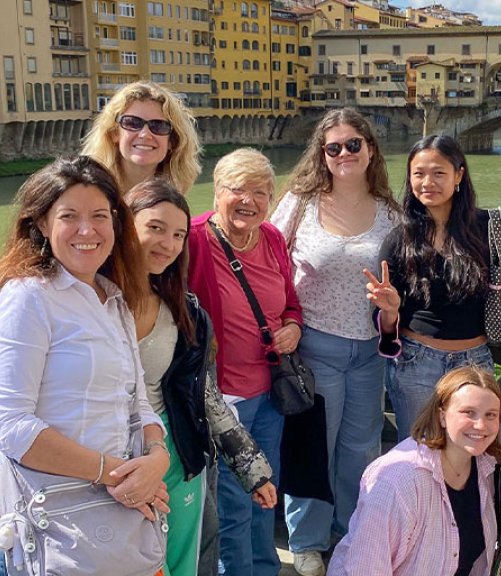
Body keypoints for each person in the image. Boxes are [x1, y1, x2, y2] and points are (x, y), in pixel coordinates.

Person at [0, 156, 170, 574]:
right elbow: (11, 425)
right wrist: (115, 474)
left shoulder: (114, 300)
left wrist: (157, 459)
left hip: (121, 517)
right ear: (41, 223)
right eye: (69, 216)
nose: (86, 230)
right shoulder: (28, 299)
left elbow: (138, 403)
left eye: (99, 216)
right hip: (61, 524)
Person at [125, 179, 278, 576]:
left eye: (178, 234)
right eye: (155, 228)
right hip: (107, 461)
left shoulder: (184, 311)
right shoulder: (86, 301)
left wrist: (252, 470)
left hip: (176, 459)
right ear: (124, 224)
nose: (168, 244)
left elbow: (204, 396)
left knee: (179, 566)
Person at [270, 108, 398, 576]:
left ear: (370, 149)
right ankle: (306, 540)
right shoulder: (300, 203)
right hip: (314, 345)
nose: (344, 154)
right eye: (333, 147)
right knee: (312, 447)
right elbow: (267, 261)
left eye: (353, 145)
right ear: (322, 155)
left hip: (370, 351)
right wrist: (283, 320)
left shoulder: (391, 210)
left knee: (361, 448)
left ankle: (350, 531)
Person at [367, 134, 501, 442]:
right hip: (416, 364)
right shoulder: (400, 238)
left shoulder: (490, 227)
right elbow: (381, 319)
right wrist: (390, 310)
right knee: (421, 456)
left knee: (488, 456)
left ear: (459, 175)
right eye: (418, 174)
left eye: (438, 173)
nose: (427, 182)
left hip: (475, 363)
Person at [187, 148, 302, 576]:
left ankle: (264, 569)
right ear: (217, 192)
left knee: (264, 493)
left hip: (270, 394)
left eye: (260, 192)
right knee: (234, 504)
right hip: (222, 398)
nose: (249, 201)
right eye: (238, 190)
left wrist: (293, 327)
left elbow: (290, 303)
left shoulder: (270, 237)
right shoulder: (194, 238)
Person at [327, 366, 501, 576]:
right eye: (468, 412)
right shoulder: (397, 479)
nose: (481, 425)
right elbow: (367, 567)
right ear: (442, 416)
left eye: (491, 415)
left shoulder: (487, 468)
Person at [81, 81, 202, 194]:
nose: (145, 134)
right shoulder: (87, 193)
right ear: (114, 133)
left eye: (158, 126)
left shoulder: (171, 206)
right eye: (132, 123)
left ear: (172, 141)